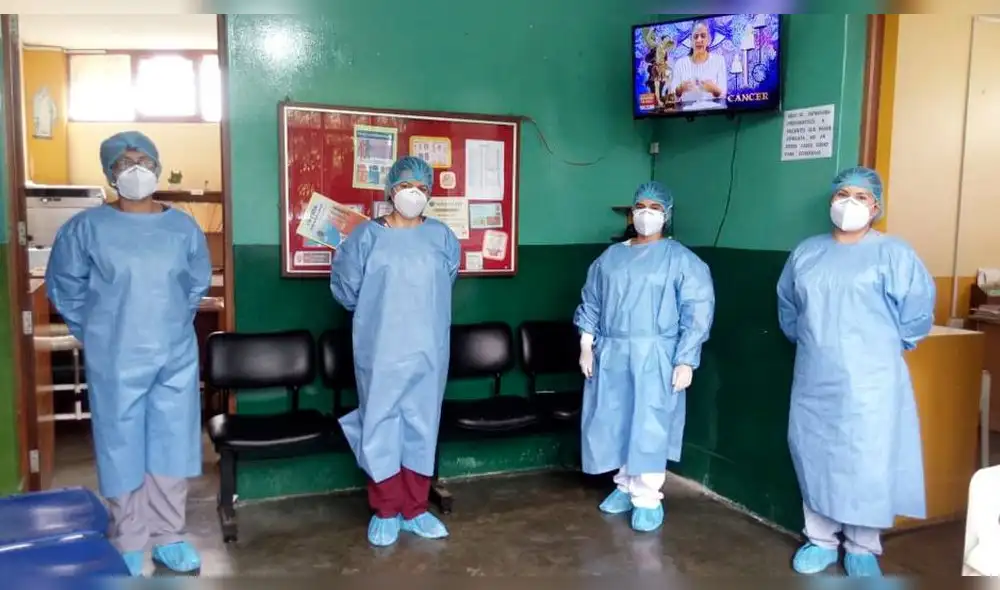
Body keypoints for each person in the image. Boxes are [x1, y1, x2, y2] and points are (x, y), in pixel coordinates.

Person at [45, 131, 211, 577]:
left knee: (171, 442)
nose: (135, 168)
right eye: (124, 162)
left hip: (173, 353)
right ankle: (130, 537)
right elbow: (65, 287)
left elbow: (195, 284)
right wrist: (99, 331)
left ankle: (169, 536)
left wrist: (171, 322)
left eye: (142, 159)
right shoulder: (86, 228)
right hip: (115, 353)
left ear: (157, 165)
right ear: (109, 173)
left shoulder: (182, 228)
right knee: (121, 444)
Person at [777, 166, 935, 578]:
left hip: (872, 380)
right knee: (814, 455)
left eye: (860, 196)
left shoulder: (894, 254)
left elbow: (915, 316)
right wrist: (817, 343)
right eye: (842, 194)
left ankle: (863, 545)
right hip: (815, 375)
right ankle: (821, 539)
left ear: (876, 206)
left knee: (868, 460)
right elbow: (789, 308)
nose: (849, 202)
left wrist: (877, 350)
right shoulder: (807, 253)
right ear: (830, 200)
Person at [331, 156, 460, 547]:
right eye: (407, 186)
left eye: (422, 187)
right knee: (380, 425)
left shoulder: (442, 238)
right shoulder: (366, 238)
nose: (414, 193)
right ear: (390, 190)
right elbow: (347, 291)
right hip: (381, 349)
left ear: (430, 193)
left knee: (422, 426)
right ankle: (386, 509)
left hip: (428, 350)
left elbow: (446, 280)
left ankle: (416, 510)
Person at [573, 181, 715, 533]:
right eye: (640, 206)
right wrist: (586, 344)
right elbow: (592, 301)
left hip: (657, 353)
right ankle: (624, 484)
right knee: (615, 419)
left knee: (650, 423)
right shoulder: (611, 258)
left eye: (654, 207)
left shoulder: (681, 260)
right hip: (614, 350)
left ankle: (648, 496)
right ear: (631, 212)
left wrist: (686, 359)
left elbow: (697, 311)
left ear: (666, 214)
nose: (645, 213)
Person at [669, 19, 728, 111]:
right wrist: (680, 89)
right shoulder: (680, 64)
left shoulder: (719, 60)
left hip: (714, 113)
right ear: (691, 41)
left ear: (709, 39)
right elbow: (671, 99)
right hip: (686, 115)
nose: (699, 40)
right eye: (695, 36)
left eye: (703, 36)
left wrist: (713, 89)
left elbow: (724, 96)